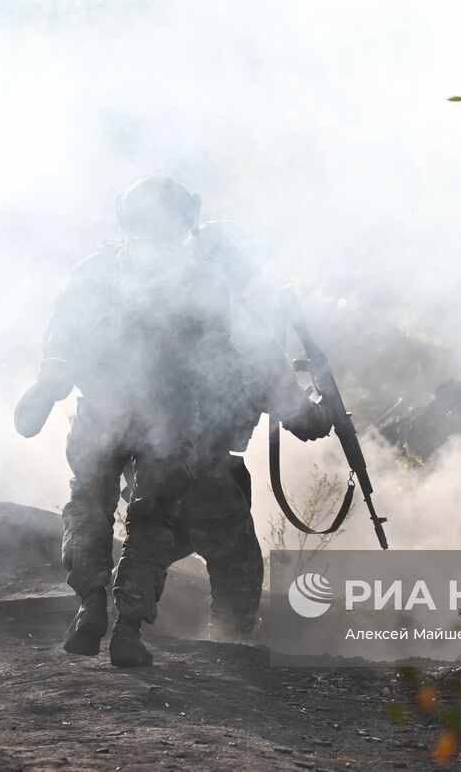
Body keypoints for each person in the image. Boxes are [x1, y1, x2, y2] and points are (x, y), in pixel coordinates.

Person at [14, 175, 230, 665]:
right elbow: (217, 361)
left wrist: (52, 383)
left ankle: (91, 605)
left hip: (104, 405)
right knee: (152, 517)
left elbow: (61, 337)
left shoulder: (97, 268)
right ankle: (129, 627)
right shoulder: (202, 277)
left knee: (89, 503)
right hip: (169, 417)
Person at [168, 221, 332, 642]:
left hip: (149, 457)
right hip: (204, 462)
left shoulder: (156, 310)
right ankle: (229, 651)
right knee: (237, 562)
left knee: (157, 538)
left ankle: (118, 620)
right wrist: (320, 411)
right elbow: (292, 410)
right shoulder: (239, 324)